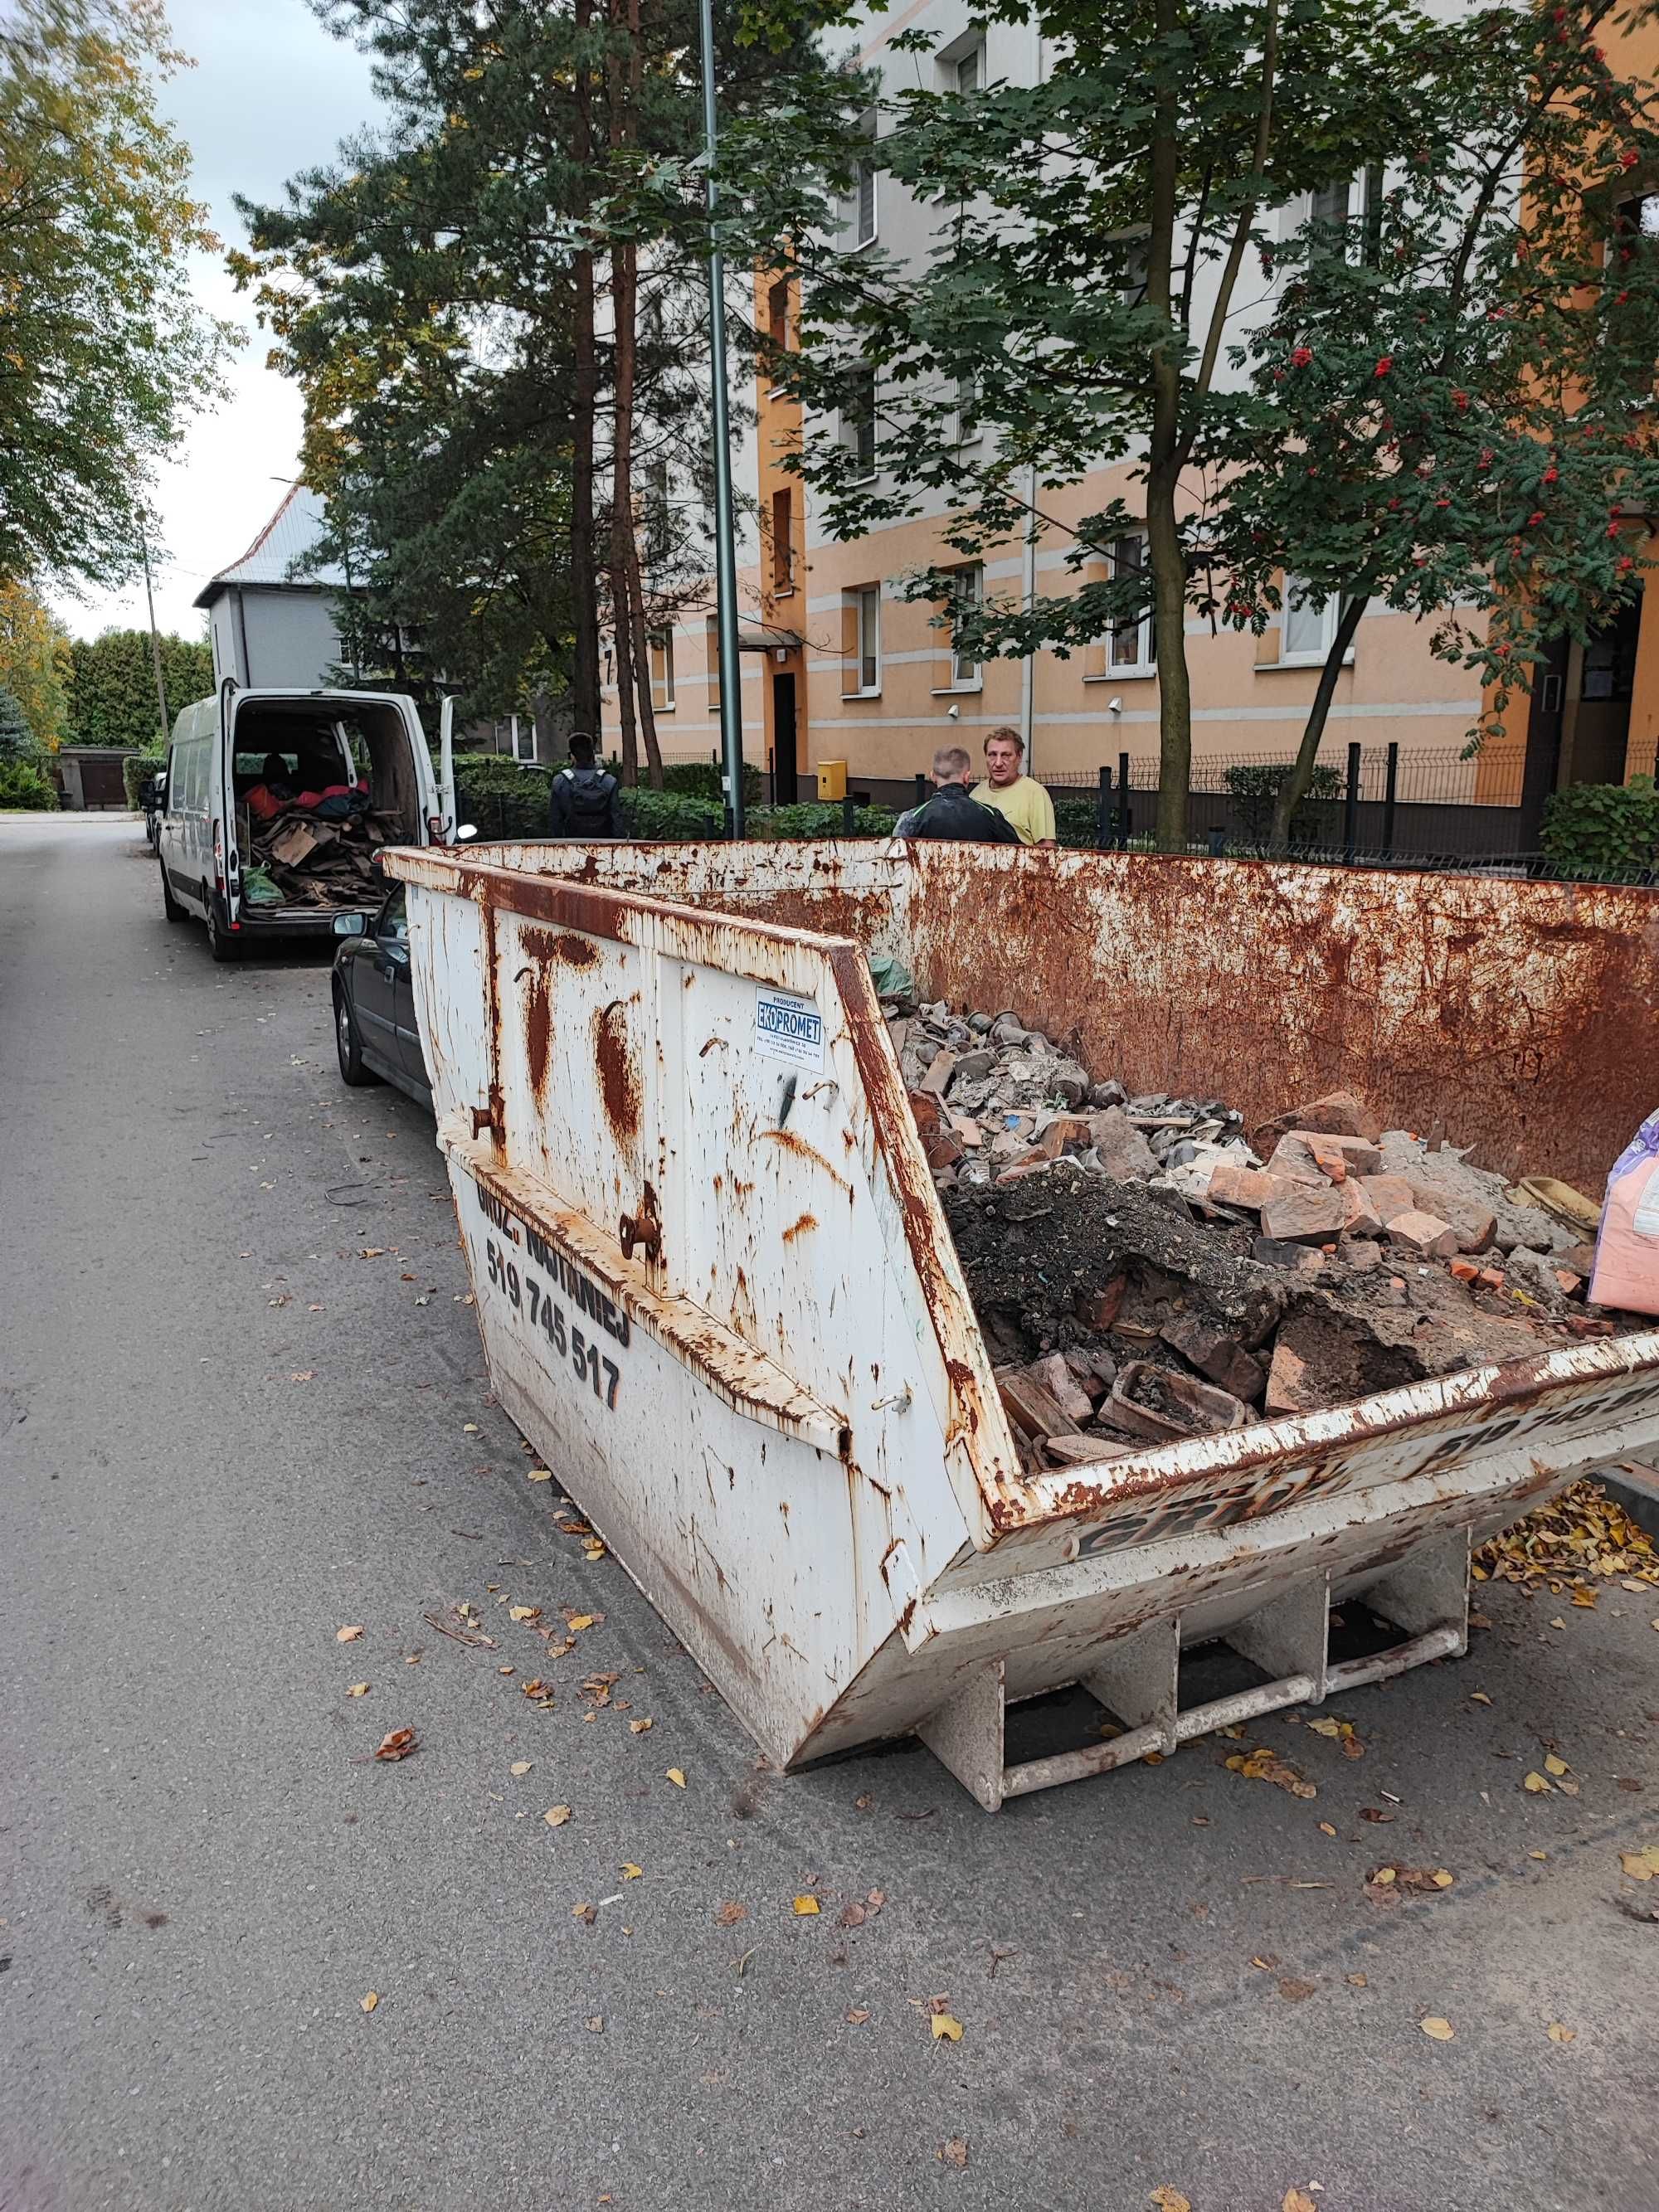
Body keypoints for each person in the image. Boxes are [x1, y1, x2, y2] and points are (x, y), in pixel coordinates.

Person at [893, 745, 1021, 843]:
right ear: (967, 777)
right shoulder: (991, 816)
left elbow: (894, 863)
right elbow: (1021, 856)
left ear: (933, 776)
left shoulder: (912, 819)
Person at [972, 727, 1056, 846]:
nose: (998, 763)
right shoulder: (976, 794)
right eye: (992, 755)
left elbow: (1046, 849)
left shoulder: (1035, 793)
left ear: (1019, 757)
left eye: (1006, 755)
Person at [547, 733, 625, 839]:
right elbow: (617, 821)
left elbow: (555, 822)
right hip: (603, 847)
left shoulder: (560, 781)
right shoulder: (609, 781)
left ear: (572, 756)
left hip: (570, 847)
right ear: (593, 753)